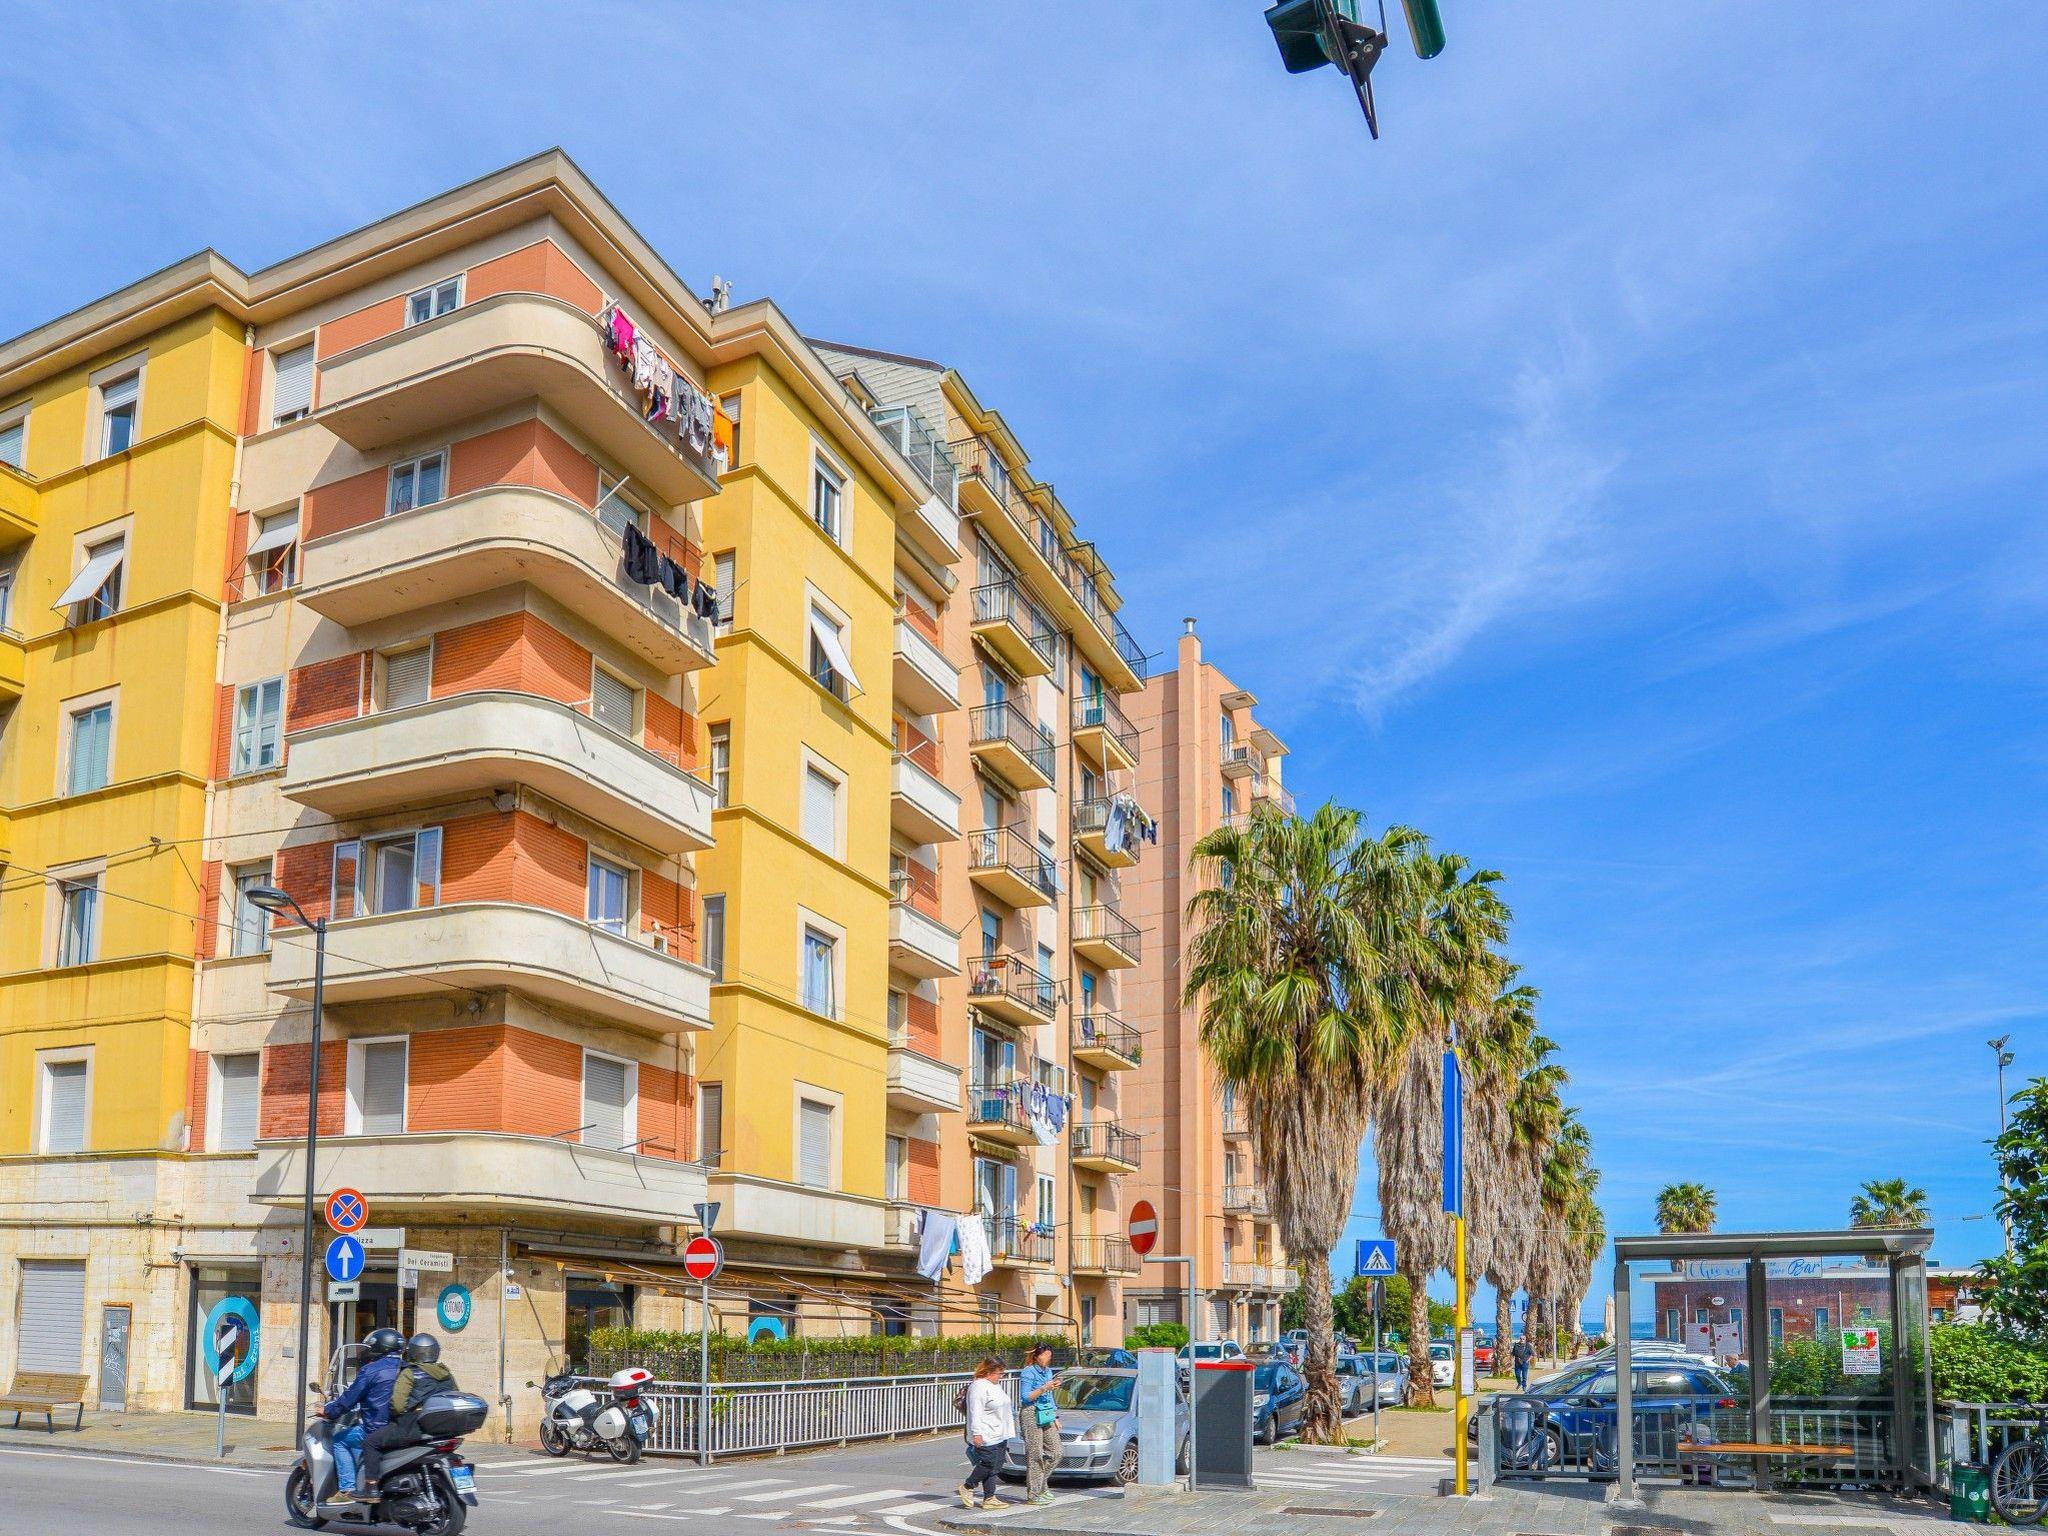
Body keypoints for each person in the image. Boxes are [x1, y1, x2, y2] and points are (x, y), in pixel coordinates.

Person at [357, 1333, 455, 1498]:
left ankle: (371, 1488)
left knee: (370, 1442)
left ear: (414, 1351)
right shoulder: (446, 1374)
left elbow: (397, 1404)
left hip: (413, 1426)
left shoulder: (410, 1372)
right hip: (442, 1429)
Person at [322, 1326, 406, 1504]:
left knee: (340, 1440)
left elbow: (348, 1400)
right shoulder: (406, 1368)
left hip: (374, 1427)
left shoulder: (371, 1370)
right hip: (399, 1429)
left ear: (380, 1347)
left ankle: (347, 1490)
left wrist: (328, 1411)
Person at [959, 1357, 1016, 1511]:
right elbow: (975, 1411)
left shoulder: (995, 1385)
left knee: (995, 1466)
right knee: (988, 1463)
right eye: (999, 1373)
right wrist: (976, 1433)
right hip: (986, 1432)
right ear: (988, 1371)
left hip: (1000, 1432)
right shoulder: (978, 1386)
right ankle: (968, 1486)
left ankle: (989, 1497)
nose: (1001, 1376)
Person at [1018, 1344, 1061, 1505]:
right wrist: (1044, 1388)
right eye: (1045, 1355)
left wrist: (1055, 1416)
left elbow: (1050, 1397)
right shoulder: (1028, 1372)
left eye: (1050, 1355)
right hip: (1031, 1413)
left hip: (1046, 1412)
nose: (1048, 1358)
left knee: (1056, 1452)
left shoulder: (1048, 1371)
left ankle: (1041, 1485)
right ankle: (1034, 1494)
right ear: (1036, 1356)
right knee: (1035, 1454)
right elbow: (1026, 1397)